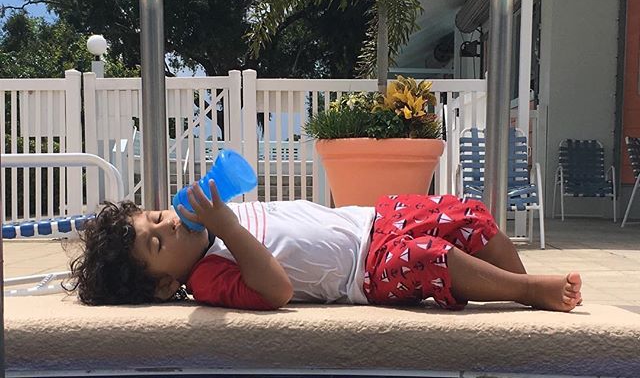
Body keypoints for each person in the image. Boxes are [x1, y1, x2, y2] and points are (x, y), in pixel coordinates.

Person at [67, 180, 582, 312]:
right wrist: (225, 226)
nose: (169, 226)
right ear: (164, 285)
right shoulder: (206, 279)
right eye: (158, 242)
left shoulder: (208, 221)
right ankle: (527, 290)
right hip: (364, 272)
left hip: (370, 221)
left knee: (469, 215)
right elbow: (276, 290)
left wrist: (222, 213)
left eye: (157, 218)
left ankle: (521, 291)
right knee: (430, 258)